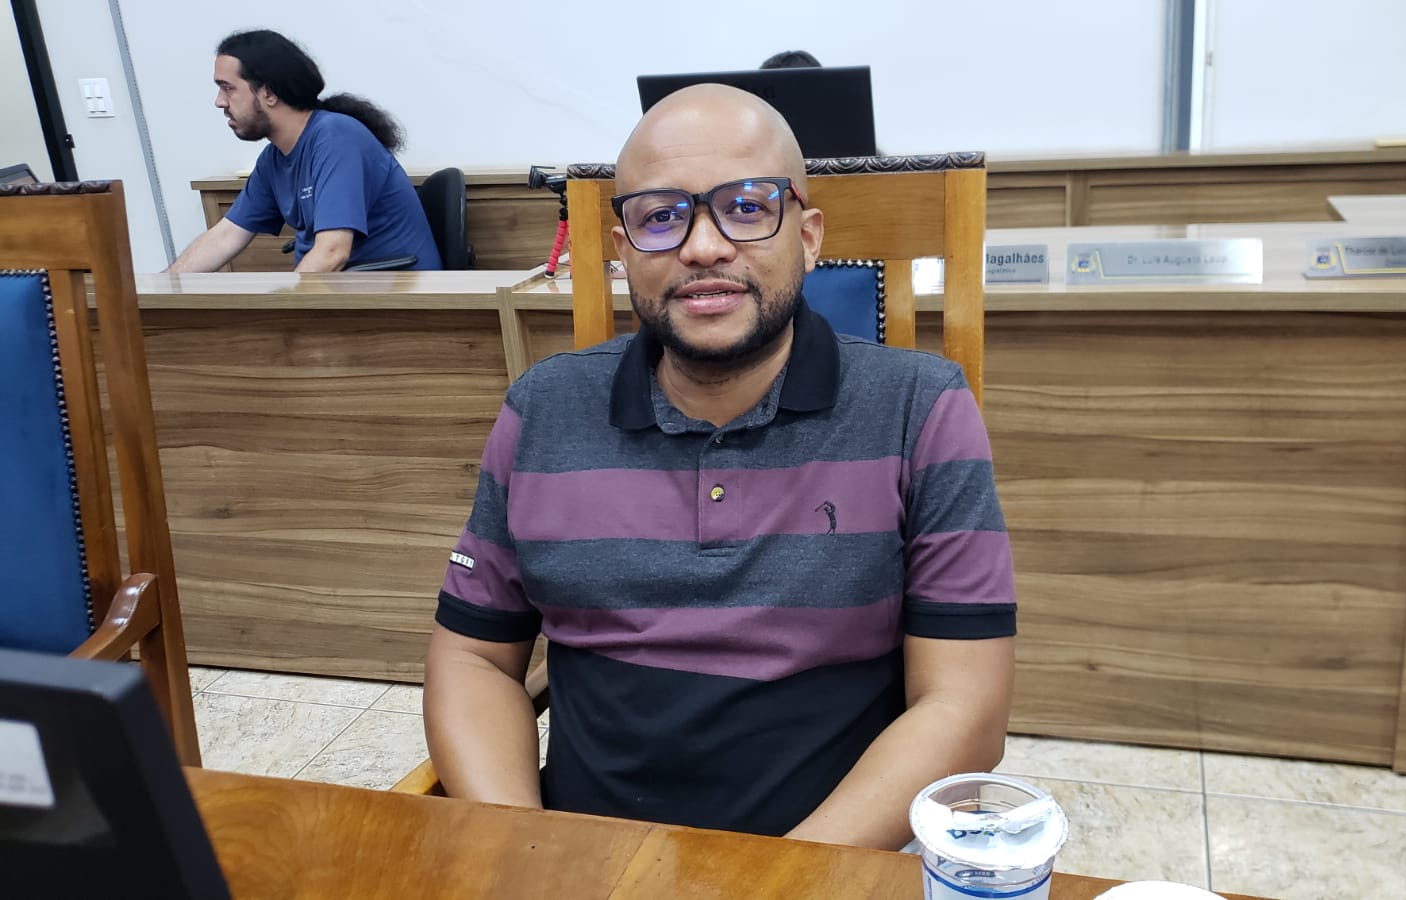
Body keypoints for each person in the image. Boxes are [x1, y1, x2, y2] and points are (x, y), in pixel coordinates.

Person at [422, 84, 1015, 851]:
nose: (703, 247)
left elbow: (965, 710)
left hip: (827, 865)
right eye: (660, 217)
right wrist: (529, 853)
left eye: (746, 206)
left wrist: (777, 881)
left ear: (807, 237)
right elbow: (472, 656)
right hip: (583, 861)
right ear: (623, 251)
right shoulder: (543, 409)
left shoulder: (921, 409)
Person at [165, 30, 440, 273]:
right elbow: (225, 237)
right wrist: (157, 292)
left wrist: (282, 307)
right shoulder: (273, 159)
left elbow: (332, 252)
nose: (219, 102)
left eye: (228, 88)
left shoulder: (337, 138)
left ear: (269, 93)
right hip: (344, 296)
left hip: (397, 303)